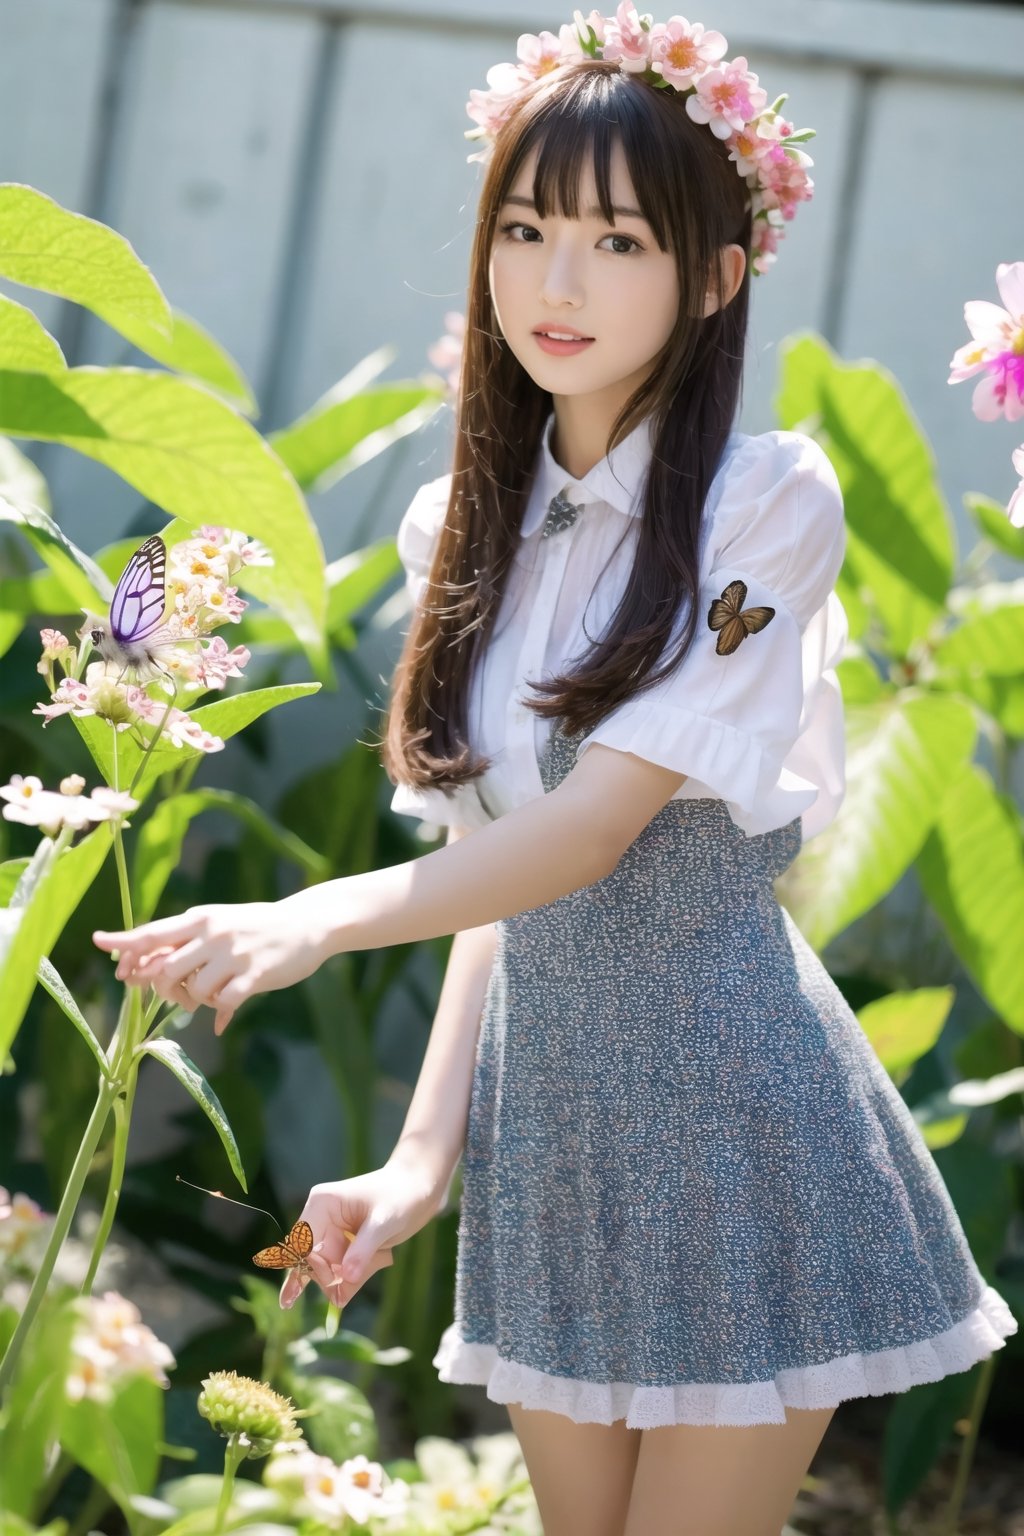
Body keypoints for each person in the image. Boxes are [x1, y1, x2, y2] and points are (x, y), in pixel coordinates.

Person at [93, 8, 1018, 1534]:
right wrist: (418, 1159)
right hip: (554, 1140)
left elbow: (589, 835)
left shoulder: (765, 501)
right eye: (524, 229)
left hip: (734, 1116)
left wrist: (313, 917)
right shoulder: (455, 523)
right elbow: (492, 867)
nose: (558, 282)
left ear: (717, 275)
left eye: (619, 240)